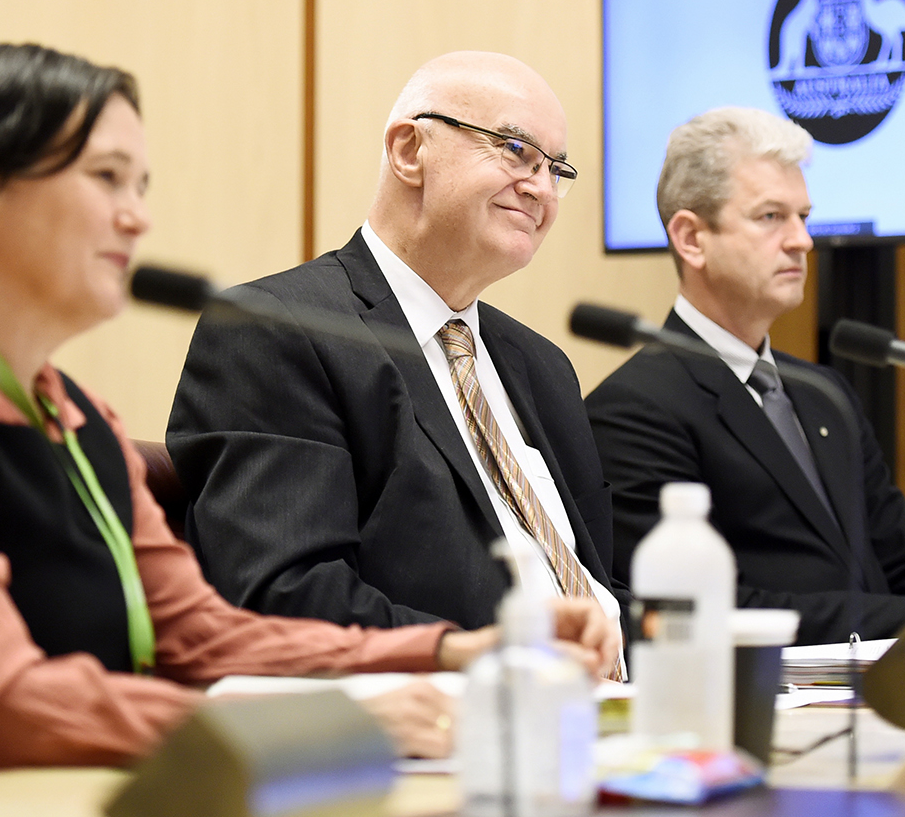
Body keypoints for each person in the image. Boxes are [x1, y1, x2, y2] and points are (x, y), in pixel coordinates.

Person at [0, 45, 616, 798]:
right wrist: (332, 723)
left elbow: (201, 633)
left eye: (142, 184)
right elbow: (2, 703)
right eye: (104, 180)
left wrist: (449, 654)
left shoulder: (72, 413)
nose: (138, 218)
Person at [168, 51, 626, 675]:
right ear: (410, 150)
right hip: (448, 726)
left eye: (557, 168)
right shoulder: (278, 329)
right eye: (516, 151)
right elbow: (285, 597)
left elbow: (603, 588)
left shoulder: (541, 367)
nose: (542, 188)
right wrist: (499, 655)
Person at [584, 106, 905, 646]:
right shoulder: (633, 408)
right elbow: (702, 610)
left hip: (888, 691)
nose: (802, 241)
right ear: (691, 239)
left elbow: (902, 557)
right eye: (771, 217)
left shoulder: (825, 393)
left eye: (803, 216)